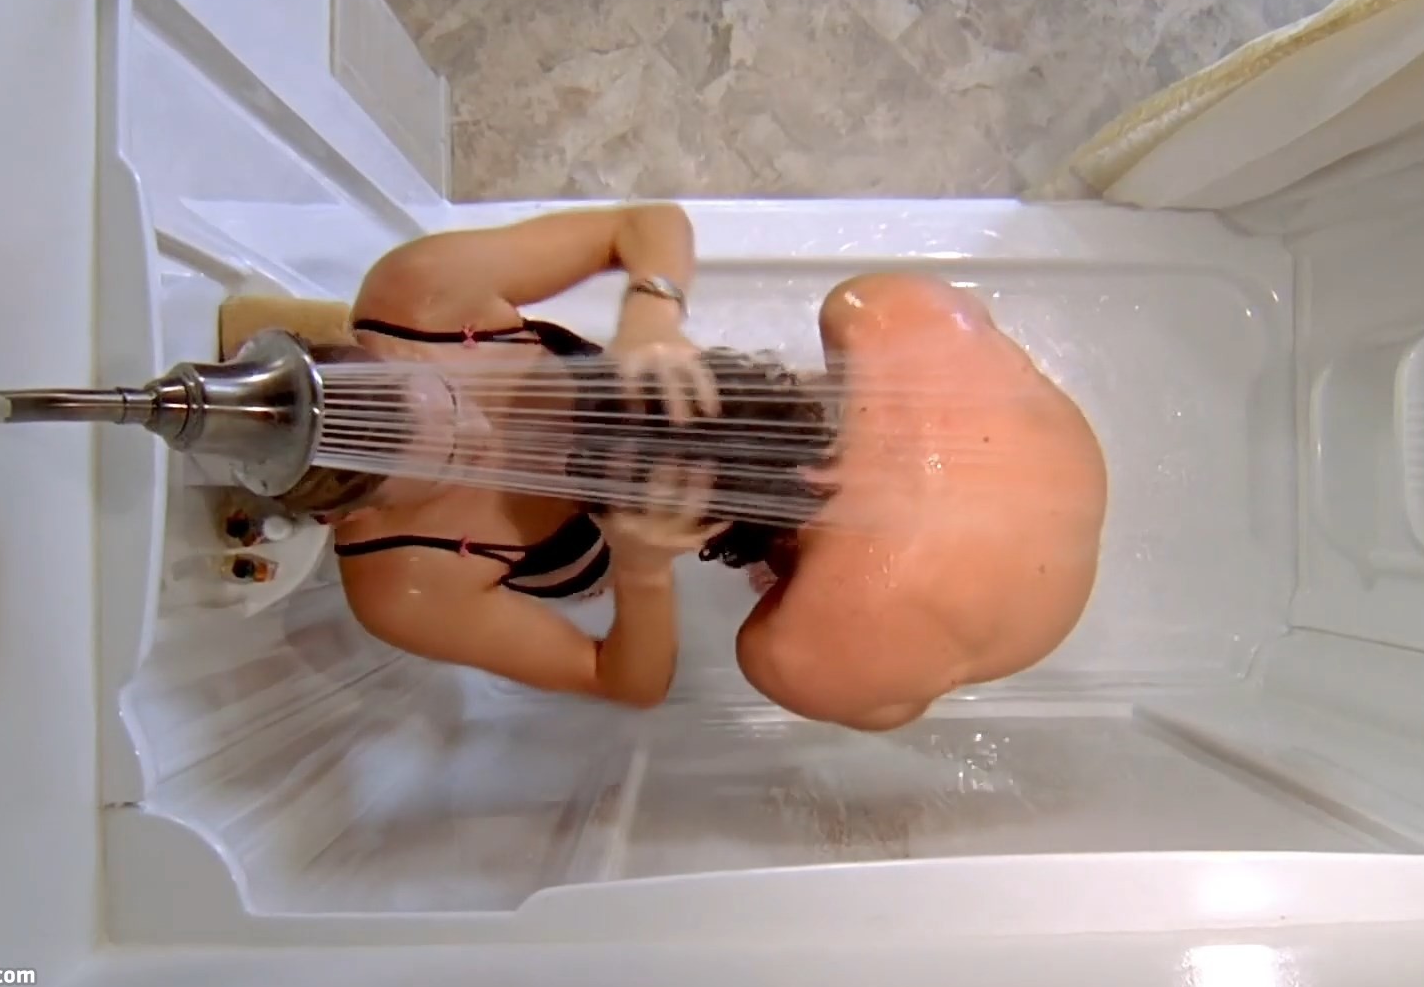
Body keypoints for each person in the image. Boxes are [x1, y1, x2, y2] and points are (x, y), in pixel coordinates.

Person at [567, 271, 1108, 732]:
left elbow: (895, 712)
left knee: (884, 676)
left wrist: (643, 566)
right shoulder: (883, 313)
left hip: (1032, 623)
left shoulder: (798, 653)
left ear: (701, 537)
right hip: (1072, 468)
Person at [234, 203, 727, 708]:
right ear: (346, 515)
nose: (483, 429)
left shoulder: (421, 293)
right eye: (452, 461)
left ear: (375, 352)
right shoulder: (403, 585)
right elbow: (628, 684)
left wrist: (651, 313)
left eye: (450, 400)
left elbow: (648, 222)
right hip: (632, 567)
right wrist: (643, 570)